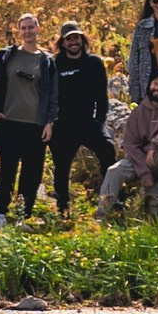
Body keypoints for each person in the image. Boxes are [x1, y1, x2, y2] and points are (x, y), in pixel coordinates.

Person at [98, 63, 158, 218]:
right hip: (144, 160)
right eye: (155, 84)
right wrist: (145, 172)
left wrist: (155, 145)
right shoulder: (139, 111)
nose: (157, 88)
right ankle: (104, 212)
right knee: (114, 170)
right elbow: (131, 145)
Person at [0, 11, 55, 218]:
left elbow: (53, 94)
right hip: (9, 122)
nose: (27, 31)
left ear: (39, 29)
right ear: (19, 31)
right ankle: (1, 212)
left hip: (35, 124)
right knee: (7, 170)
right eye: (23, 28)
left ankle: (22, 214)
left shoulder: (47, 61)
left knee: (32, 173)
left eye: (31, 27)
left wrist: (49, 122)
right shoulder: (7, 56)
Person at [49, 19, 113, 215]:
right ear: (62, 43)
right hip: (62, 124)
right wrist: (51, 122)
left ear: (82, 39)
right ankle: (63, 208)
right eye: (68, 39)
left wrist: (99, 121)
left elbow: (102, 96)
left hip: (87, 121)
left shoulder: (94, 63)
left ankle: (109, 200)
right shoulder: (54, 64)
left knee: (108, 150)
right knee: (61, 167)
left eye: (76, 38)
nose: (73, 42)